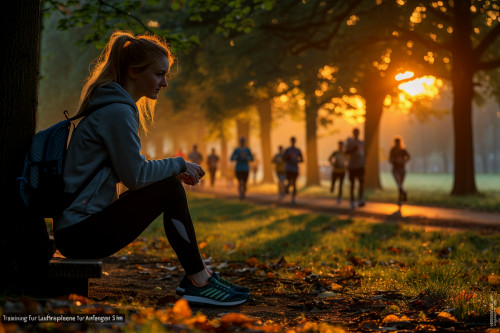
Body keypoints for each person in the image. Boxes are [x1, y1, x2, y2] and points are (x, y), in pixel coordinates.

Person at [53, 31, 249, 307]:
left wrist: (170, 170)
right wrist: (178, 163)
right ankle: (199, 280)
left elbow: (131, 171)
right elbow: (135, 177)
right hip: (80, 234)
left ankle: (199, 277)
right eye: (159, 74)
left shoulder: (114, 108)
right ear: (134, 72)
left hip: (78, 230)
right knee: (169, 188)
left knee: (167, 185)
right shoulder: (116, 113)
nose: (164, 82)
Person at [345, 128, 365, 209]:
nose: (357, 134)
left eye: (358, 133)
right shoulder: (350, 142)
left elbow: (363, 153)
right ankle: (352, 200)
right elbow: (346, 152)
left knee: (361, 183)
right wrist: (354, 149)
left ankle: (360, 199)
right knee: (352, 184)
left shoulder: (361, 143)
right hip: (352, 166)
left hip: (360, 165)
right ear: (353, 133)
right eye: (355, 133)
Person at [389, 136, 411, 207]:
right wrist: (394, 161)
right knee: (399, 184)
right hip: (395, 169)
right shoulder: (393, 150)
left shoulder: (403, 150)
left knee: (400, 185)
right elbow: (390, 159)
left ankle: (400, 200)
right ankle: (404, 193)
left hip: (402, 169)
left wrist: (404, 161)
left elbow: (409, 157)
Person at [283, 136, 303, 205]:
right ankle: (286, 188)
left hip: (295, 169)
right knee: (290, 182)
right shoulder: (287, 150)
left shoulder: (298, 150)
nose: (293, 142)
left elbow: (302, 159)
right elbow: (284, 158)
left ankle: (293, 198)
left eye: (294, 141)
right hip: (288, 169)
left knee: (294, 184)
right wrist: (289, 157)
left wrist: (297, 160)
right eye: (292, 141)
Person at [328, 140, 346, 205]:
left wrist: (345, 166)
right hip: (335, 170)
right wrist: (333, 164)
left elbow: (348, 161)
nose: (341, 146)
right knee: (333, 183)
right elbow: (329, 159)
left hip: (342, 171)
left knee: (340, 185)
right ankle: (332, 188)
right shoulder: (335, 153)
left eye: (342, 145)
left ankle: (339, 197)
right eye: (340, 145)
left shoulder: (345, 153)